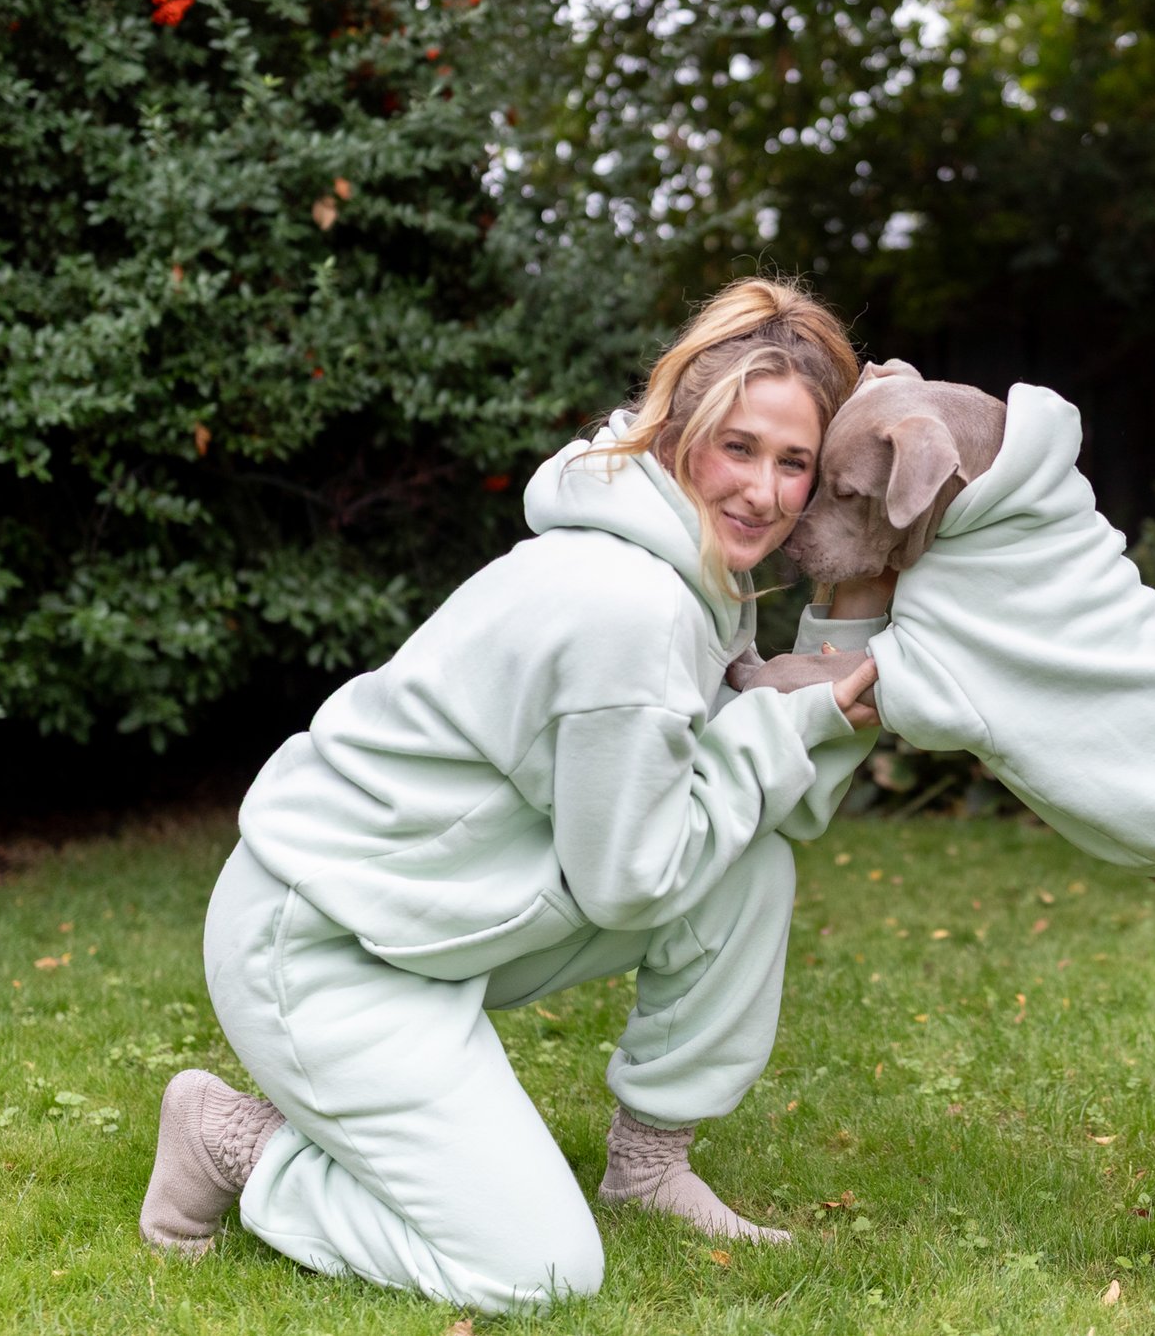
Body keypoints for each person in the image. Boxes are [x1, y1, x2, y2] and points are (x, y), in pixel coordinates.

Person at [138, 279, 892, 1310]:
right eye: (738, 447)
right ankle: (235, 1140)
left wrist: (836, 648)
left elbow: (778, 801)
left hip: (435, 920)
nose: (763, 490)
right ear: (677, 434)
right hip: (323, 946)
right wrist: (781, 720)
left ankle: (649, 1167)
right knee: (536, 1270)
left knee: (747, 861)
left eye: (794, 462)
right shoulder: (625, 607)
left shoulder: (693, 576)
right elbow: (629, 883)